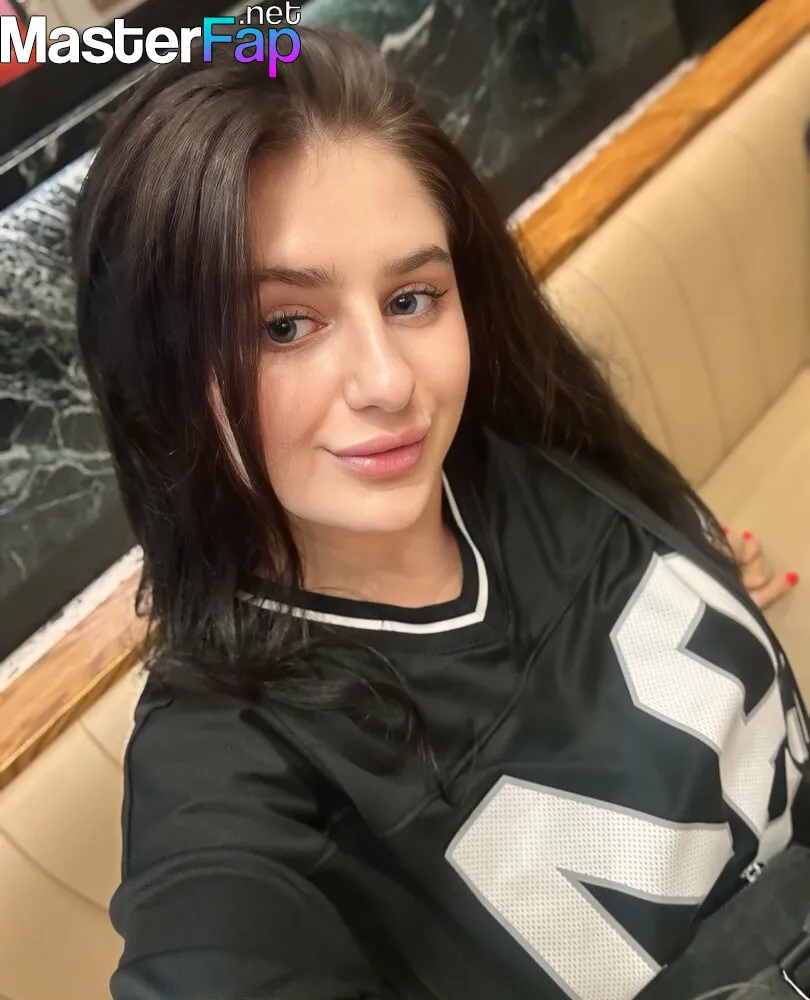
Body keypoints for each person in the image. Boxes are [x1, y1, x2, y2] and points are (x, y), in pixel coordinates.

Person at [71, 25, 807, 1000]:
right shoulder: (233, 767)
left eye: (412, 298)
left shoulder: (524, 438)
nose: (389, 382)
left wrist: (699, 570)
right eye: (284, 325)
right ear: (157, 375)